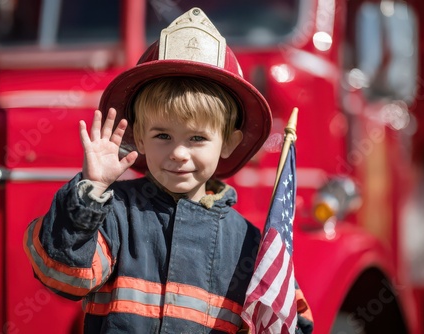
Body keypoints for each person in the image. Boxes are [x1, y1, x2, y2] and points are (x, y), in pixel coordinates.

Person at [24, 7, 275, 333]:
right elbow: (63, 275)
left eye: (198, 137)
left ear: (228, 142)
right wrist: (89, 193)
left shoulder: (249, 246)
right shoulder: (112, 214)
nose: (179, 153)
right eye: (162, 136)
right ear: (138, 137)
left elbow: (286, 320)